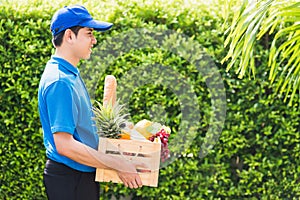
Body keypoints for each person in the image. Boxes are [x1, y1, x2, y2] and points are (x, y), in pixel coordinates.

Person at [38, 5, 144, 200]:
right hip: (70, 177)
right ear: (69, 36)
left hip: (79, 176)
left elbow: (83, 130)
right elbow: (65, 145)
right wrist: (117, 163)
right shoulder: (60, 81)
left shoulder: (69, 74)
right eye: (89, 34)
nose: (94, 41)